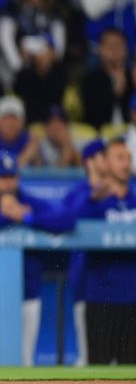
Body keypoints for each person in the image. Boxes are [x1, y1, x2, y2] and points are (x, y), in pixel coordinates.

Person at [0, 150, 76, 366]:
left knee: (24, 361)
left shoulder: (25, 199)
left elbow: (66, 220)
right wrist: (7, 215)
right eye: (2, 178)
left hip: (28, 293)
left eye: (11, 177)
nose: (7, 184)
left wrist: (27, 216)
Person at [75, 139, 136, 364]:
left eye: (128, 158)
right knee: (97, 370)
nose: (126, 164)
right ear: (105, 163)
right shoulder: (94, 199)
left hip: (133, 299)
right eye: (119, 158)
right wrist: (93, 198)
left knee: (132, 374)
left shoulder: (134, 198)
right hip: (101, 297)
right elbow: (69, 221)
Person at [63, 139, 109, 367]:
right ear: (89, 162)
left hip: (121, 282)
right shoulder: (78, 193)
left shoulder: (122, 191)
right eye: (103, 156)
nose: (108, 161)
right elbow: (66, 218)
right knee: (90, 354)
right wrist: (92, 196)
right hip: (86, 278)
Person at [0, 96, 40, 168]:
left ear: (23, 121)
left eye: (15, 118)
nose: (10, 123)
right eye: (5, 118)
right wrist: (27, 155)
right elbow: (1, 172)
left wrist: (36, 156)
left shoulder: (29, 140)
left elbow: (44, 173)